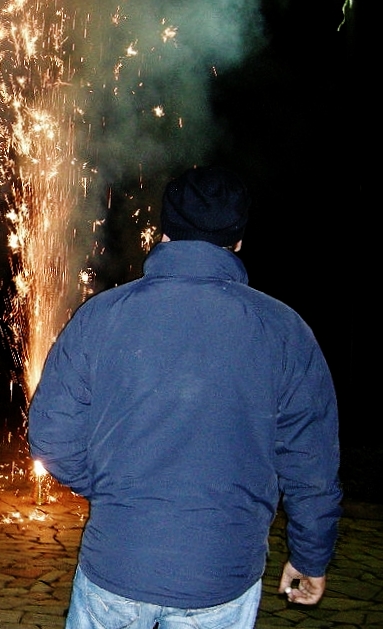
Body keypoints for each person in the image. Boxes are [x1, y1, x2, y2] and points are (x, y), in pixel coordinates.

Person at [28, 166, 341, 629]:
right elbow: (311, 463)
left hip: (117, 563)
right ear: (237, 242)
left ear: (162, 234)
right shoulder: (284, 331)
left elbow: (51, 436)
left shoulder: (102, 316)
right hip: (223, 574)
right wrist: (312, 556)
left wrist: (115, 488)